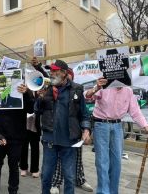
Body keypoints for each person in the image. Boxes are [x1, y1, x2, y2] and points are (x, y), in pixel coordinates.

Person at [85, 77, 148, 194]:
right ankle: (103, 192)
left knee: (116, 161)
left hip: (118, 126)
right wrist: (97, 87)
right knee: (102, 161)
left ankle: (113, 192)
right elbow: (87, 96)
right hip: (101, 124)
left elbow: (136, 112)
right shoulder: (104, 87)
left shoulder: (128, 91)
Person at [31, 57, 93, 193]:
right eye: (51, 71)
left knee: (69, 177)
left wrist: (86, 130)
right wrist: (40, 99)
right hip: (50, 141)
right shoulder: (46, 89)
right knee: (46, 175)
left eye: (55, 71)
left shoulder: (77, 89)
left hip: (69, 142)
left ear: (64, 73)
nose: (51, 74)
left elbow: (84, 114)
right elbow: (37, 111)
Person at [0, 52, 34, 194]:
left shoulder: (23, 91)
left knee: (14, 167)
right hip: (0, 135)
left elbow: (31, 109)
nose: (10, 78)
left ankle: (13, 190)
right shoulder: (1, 89)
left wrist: (27, 94)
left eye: (14, 75)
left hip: (17, 137)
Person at [19, 111, 41, 178]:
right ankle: (23, 168)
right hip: (24, 123)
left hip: (35, 123)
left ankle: (34, 169)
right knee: (23, 146)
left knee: (35, 147)